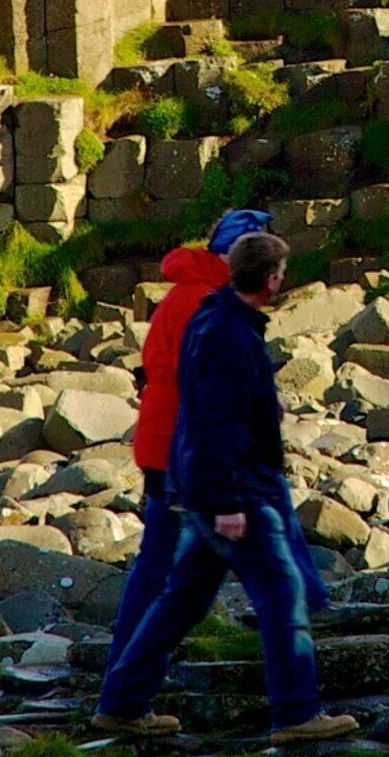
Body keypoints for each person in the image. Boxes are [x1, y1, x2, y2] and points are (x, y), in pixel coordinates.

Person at [89, 231, 355, 745]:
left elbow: (201, 399)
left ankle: (121, 704)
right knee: (282, 593)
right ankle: (298, 713)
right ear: (273, 280)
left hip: (197, 485)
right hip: (235, 492)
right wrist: (229, 503)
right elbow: (216, 423)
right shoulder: (231, 334)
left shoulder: (212, 316)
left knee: (180, 601)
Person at [121, 208, 329, 657]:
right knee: (269, 546)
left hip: (166, 442)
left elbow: (164, 369)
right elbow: (210, 396)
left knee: (167, 569)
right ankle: (313, 623)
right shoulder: (215, 306)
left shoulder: (186, 295)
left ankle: (123, 674)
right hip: (194, 450)